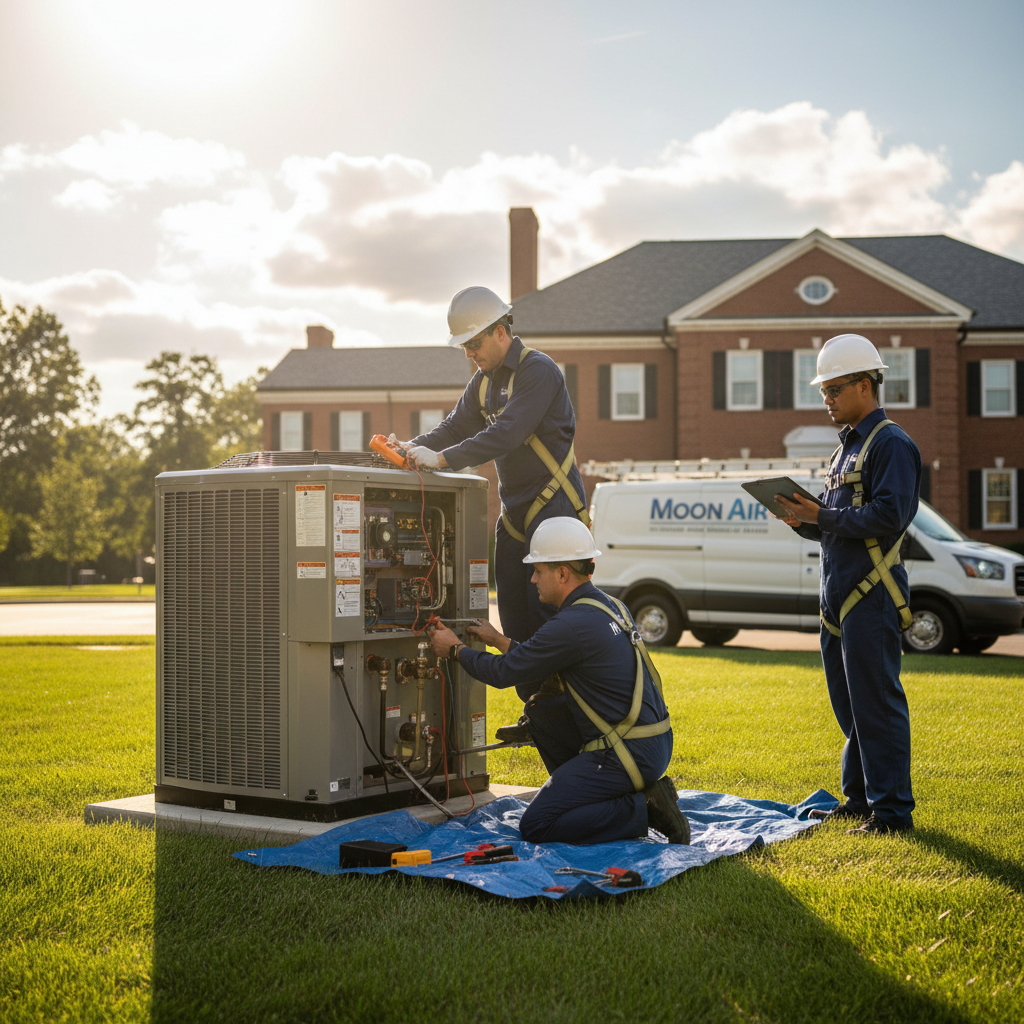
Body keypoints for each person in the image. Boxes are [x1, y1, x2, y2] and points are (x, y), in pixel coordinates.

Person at [392, 286, 590, 739]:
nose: (469, 354)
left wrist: (440, 460)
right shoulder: (484, 383)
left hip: (555, 511)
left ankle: (569, 718)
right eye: (464, 347)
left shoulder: (538, 371)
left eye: (475, 344)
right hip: (518, 515)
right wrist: (413, 448)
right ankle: (537, 711)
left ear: (501, 332)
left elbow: (507, 433)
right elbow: (454, 428)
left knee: (550, 621)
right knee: (517, 618)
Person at [426, 516, 689, 846]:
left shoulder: (571, 624)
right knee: (542, 710)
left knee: (538, 824)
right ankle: (602, 796)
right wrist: (497, 639)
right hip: (653, 744)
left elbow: (502, 674)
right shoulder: (608, 606)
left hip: (626, 754)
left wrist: (454, 649)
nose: (533, 578)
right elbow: (538, 661)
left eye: (538, 570)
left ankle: (644, 808)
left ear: (563, 573)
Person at [775, 334, 920, 836]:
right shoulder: (846, 449)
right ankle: (860, 800)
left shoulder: (892, 444)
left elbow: (891, 514)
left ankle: (893, 813)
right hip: (836, 594)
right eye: (824, 390)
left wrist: (825, 515)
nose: (827, 399)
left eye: (835, 389)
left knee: (876, 703)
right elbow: (835, 519)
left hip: (871, 593)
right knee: (851, 705)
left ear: (866, 384)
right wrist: (805, 519)